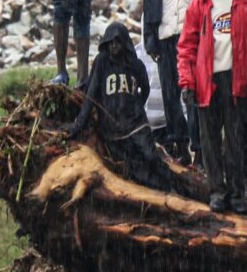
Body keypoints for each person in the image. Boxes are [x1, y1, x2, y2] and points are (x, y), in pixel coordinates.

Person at [179, 0, 247, 214]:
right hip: (207, 81)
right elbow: (187, 46)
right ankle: (217, 192)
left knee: (237, 140)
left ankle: (237, 194)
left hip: (238, 80)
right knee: (210, 140)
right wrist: (186, 81)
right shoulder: (199, 3)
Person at [141, 0, 215, 162]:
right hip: (165, 34)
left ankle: (201, 148)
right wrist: (150, 35)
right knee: (171, 92)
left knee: (194, 92)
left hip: (194, 34)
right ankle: (179, 145)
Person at [64, 22, 173, 192]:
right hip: (112, 129)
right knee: (134, 168)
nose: (114, 46)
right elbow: (90, 95)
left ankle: (173, 185)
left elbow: (145, 88)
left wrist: (136, 106)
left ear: (124, 43)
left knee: (151, 157)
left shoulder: (135, 64)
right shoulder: (102, 62)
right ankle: (161, 192)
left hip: (136, 125)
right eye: (111, 42)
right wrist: (78, 125)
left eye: (117, 42)